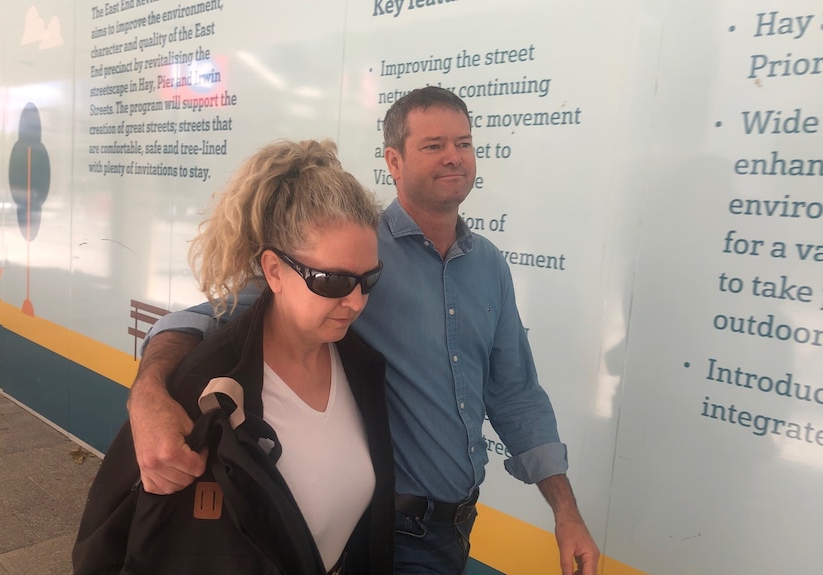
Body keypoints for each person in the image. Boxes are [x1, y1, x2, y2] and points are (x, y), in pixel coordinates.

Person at [128, 88, 599, 575]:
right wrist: (148, 394)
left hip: (457, 524)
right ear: (393, 161)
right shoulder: (354, 254)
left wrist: (566, 514)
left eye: (464, 143)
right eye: (433, 145)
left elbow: (516, 393)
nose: (454, 157)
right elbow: (209, 317)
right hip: (385, 528)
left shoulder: (490, 268)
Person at [82, 139, 394, 573]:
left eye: (369, 279)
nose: (357, 303)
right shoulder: (207, 390)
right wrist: (148, 391)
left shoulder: (360, 367)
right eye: (333, 281)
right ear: (273, 270)